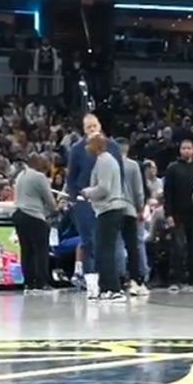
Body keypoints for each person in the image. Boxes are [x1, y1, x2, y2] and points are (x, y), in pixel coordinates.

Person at [64, 114, 124, 289]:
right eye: (88, 127)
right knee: (88, 241)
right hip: (84, 202)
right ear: (83, 130)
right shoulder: (77, 149)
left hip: (107, 200)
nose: (92, 130)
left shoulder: (112, 147)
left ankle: (112, 280)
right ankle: (91, 281)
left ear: (100, 125)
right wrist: (76, 198)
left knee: (107, 243)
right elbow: (71, 176)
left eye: (94, 126)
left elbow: (120, 174)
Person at [80, 133, 130, 302]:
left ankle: (113, 288)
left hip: (109, 209)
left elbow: (104, 188)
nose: (86, 148)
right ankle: (105, 287)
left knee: (105, 251)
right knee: (103, 250)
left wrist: (88, 192)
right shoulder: (105, 161)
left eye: (88, 144)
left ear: (96, 146)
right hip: (107, 210)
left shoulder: (104, 161)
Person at [12, 153, 61, 292]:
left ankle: (29, 282)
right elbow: (50, 202)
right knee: (41, 250)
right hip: (34, 215)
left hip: (19, 214)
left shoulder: (20, 175)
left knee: (26, 250)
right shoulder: (39, 177)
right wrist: (58, 207)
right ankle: (42, 282)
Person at [162, 139, 193, 291]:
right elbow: (168, 193)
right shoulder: (173, 168)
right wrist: (168, 214)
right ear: (180, 150)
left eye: (189, 148)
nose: (186, 151)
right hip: (177, 214)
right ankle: (176, 279)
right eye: (184, 148)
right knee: (178, 246)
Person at [116, 138, 149, 297]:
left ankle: (120, 277)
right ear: (127, 149)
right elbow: (138, 190)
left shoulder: (109, 164)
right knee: (133, 245)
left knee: (116, 245)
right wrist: (140, 209)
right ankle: (137, 278)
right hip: (129, 209)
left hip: (113, 210)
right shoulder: (133, 165)